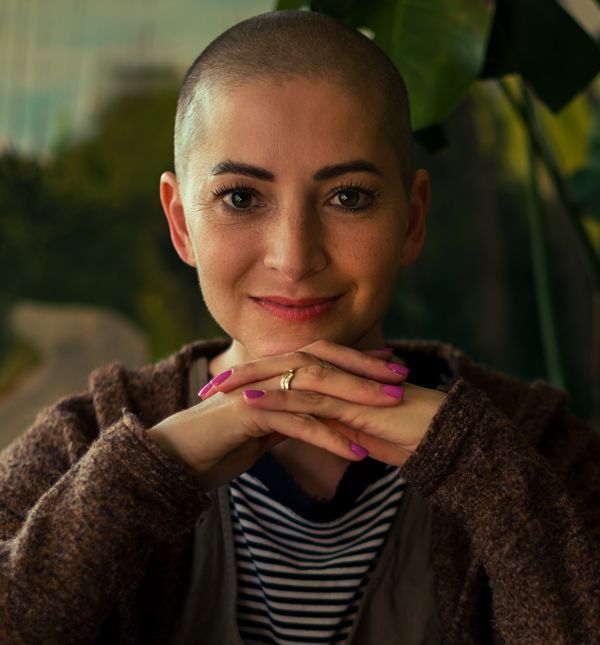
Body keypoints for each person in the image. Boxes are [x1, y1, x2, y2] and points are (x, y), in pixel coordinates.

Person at [1, 9, 598, 645]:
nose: (294, 256)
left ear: (412, 220)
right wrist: (150, 473)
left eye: (349, 197)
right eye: (239, 197)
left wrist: (481, 470)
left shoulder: (546, 453)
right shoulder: (80, 443)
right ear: (181, 224)